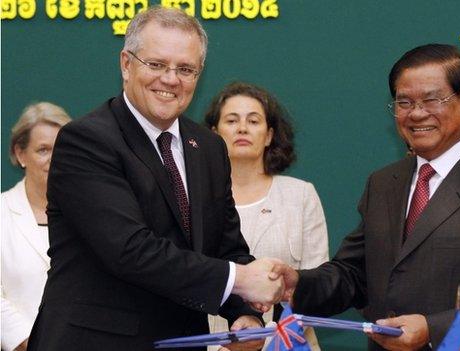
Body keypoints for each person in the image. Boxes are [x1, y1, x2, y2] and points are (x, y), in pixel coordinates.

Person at [27, 7, 285, 351]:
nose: (170, 79)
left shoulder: (207, 146)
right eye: (156, 64)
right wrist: (241, 280)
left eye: (185, 69)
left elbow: (225, 245)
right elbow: (130, 250)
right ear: (126, 64)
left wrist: (244, 315)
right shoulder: (86, 141)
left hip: (181, 341)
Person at [273, 44, 460, 351]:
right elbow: (354, 275)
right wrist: (299, 284)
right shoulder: (383, 183)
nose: (417, 113)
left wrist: (433, 330)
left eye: (432, 99)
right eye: (404, 102)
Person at [204, 82, 329, 350]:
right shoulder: (195, 198)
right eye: (231, 120)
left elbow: (316, 287)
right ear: (213, 134)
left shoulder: (301, 195)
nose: (242, 128)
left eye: (253, 120)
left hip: (287, 344)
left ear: (270, 135)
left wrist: (266, 339)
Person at [1, 102, 71, 351]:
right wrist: (32, 343)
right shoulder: (2, 214)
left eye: (62, 148)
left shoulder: (89, 213)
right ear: (21, 154)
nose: (54, 159)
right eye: (43, 150)